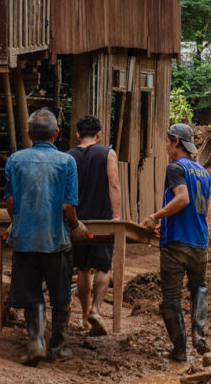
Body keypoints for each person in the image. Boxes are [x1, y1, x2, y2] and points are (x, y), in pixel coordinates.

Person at [4, 108, 87, 365]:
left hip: (25, 240)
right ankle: (57, 347)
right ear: (57, 134)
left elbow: (10, 201)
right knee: (61, 296)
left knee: (31, 294)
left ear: (29, 134)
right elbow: (67, 207)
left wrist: (17, 222)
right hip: (56, 241)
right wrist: (75, 226)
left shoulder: (15, 160)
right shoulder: (66, 162)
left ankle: (36, 341)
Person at [142, 123, 211, 362]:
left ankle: (180, 350)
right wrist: (167, 224)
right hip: (200, 243)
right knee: (198, 288)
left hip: (177, 245)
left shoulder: (175, 168)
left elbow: (182, 199)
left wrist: (156, 217)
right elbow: (197, 210)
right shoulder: (203, 172)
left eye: (168, 142)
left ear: (176, 142)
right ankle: (199, 336)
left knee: (171, 298)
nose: (166, 147)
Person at [67, 115, 122, 336]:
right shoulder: (107, 153)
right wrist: (117, 217)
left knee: (82, 269)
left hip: (78, 222)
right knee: (103, 267)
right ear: (99, 135)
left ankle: (84, 317)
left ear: (78, 134)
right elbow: (114, 184)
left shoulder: (68, 156)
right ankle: (96, 309)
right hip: (102, 221)